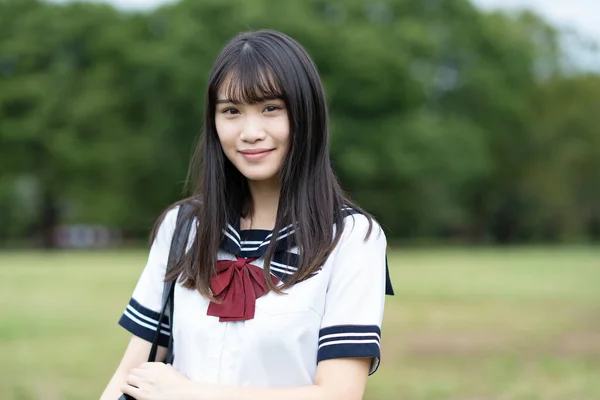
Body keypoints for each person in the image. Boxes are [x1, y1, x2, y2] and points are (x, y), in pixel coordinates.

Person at [100, 29, 393, 400]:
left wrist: (189, 394)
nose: (250, 132)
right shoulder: (183, 228)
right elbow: (130, 375)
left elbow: (339, 394)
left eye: (271, 108)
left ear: (306, 114)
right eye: (231, 111)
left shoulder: (351, 238)